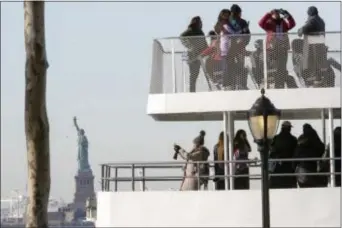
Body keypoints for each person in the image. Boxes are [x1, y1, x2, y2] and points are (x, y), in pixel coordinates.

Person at [259, 8, 296, 89]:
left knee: (282, 67)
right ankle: (276, 85)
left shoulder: (283, 22)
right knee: (276, 67)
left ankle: (280, 85)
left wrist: (287, 14)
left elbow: (292, 25)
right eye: (275, 13)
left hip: (283, 47)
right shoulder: (269, 23)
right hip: (272, 48)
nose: (276, 14)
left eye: (277, 13)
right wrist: (268, 14)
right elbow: (261, 23)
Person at [221, 4, 250, 90]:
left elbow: (247, 35)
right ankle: (237, 85)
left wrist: (243, 42)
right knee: (236, 66)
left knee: (233, 67)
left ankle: (234, 85)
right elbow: (247, 35)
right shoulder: (240, 22)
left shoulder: (228, 21)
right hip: (235, 48)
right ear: (239, 13)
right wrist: (243, 42)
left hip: (233, 48)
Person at [298, 6, 326, 87]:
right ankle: (318, 81)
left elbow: (304, 29)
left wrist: (299, 31)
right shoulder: (321, 20)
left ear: (310, 13)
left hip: (313, 45)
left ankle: (314, 83)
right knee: (318, 64)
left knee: (311, 64)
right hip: (320, 44)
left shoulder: (312, 20)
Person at [180, 16, 208, 92]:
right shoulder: (191, 30)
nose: (201, 23)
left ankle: (193, 90)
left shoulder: (201, 32)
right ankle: (192, 91)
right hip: (192, 55)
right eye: (200, 22)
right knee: (193, 74)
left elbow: (204, 43)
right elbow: (182, 37)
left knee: (196, 74)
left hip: (199, 55)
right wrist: (190, 46)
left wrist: (206, 50)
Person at [294, 123, 325, 188]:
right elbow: (321, 148)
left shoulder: (301, 139)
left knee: (304, 188)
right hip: (313, 168)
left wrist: (294, 166)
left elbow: (296, 154)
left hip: (302, 168)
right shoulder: (315, 138)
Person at [269, 121, 297, 189]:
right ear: (289, 128)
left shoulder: (275, 138)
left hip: (277, 168)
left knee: (276, 187)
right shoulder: (293, 139)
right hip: (289, 168)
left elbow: (271, 151)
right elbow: (296, 152)